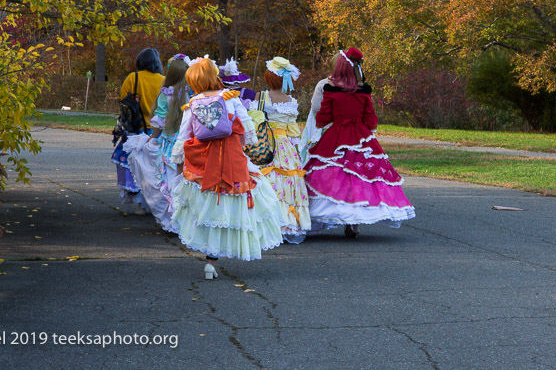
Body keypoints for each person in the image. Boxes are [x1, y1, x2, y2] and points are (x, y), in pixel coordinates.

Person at [169, 57, 285, 279]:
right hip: (231, 160)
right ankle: (217, 257)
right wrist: (244, 147)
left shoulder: (192, 104)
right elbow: (248, 131)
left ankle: (210, 259)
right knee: (234, 203)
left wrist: (178, 166)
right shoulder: (230, 98)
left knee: (209, 206)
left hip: (204, 164)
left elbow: (183, 138)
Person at [303, 48, 415, 237]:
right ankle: (354, 223)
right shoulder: (364, 92)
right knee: (360, 175)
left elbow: (322, 119)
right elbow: (370, 118)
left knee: (336, 174)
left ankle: (332, 215)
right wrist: (369, 133)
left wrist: (329, 122)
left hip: (335, 136)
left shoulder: (331, 91)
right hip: (360, 136)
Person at [123, 54, 191, 231]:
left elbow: (159, 125)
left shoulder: (165, 95)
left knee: (168, 182)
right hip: (188, 146)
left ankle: (172, 219)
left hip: (168, 146)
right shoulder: (192, 94)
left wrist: (149, 142)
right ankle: (186, 220)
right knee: (186, 181)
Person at [256, 57, 311, 243]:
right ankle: (287, 223)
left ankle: (267, 222)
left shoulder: (261, 97)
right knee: (286, 181)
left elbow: (254, 122)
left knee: (267, 180)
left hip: (266, 144)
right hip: (286, 147)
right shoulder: (290, 101)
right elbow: (293, 133)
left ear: (269, 78)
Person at [111, 48, 164, 215]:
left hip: (136, 130)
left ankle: (140, 204)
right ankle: (157, 203)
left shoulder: (132, 78)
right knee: (155, 169)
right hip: (157, 131)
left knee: (136, 167)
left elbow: (123, 101)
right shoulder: (164, 81)